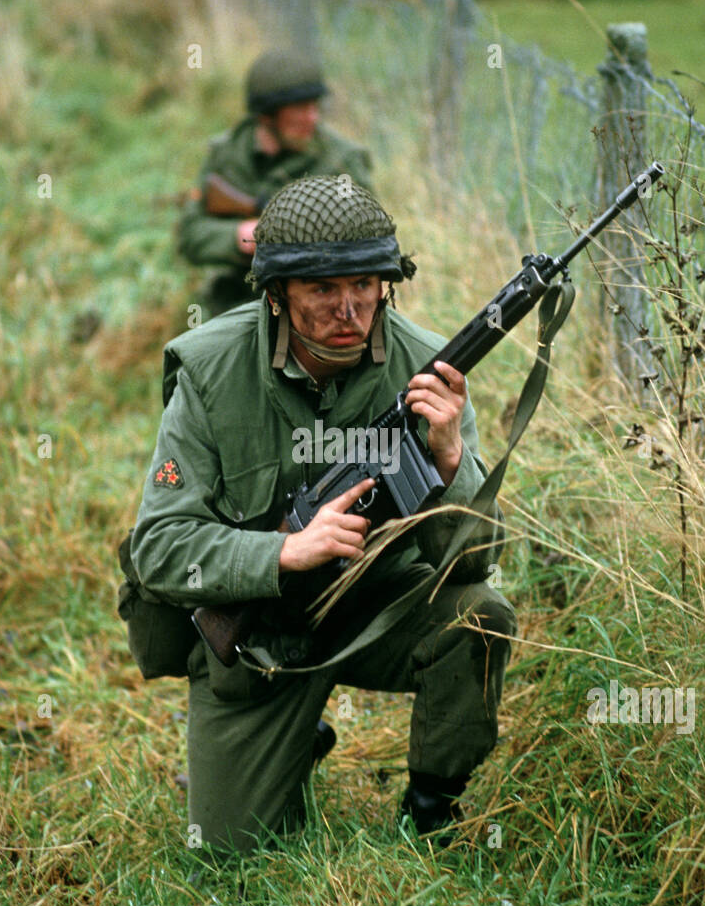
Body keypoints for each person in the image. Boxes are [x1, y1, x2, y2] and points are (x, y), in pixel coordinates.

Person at [132, 174, 516, 856]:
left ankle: (429, 814)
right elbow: (160, 545)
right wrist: (281, 554)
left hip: (379, 609)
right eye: (323, 290)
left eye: (365, 285)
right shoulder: (212, 373)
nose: (350, 310)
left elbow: (475, 559)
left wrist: (450, 459)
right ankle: (295, 738)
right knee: (231, 853)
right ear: (275, 295)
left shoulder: (428, 368)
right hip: (263, 634)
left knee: (477, 613)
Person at [176, 50, 373, 317]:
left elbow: (369, 241)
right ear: (266, 116)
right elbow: (189, 236)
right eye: (300, 109)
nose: (312, 118)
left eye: (315, 106)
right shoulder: (228, 155)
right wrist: (241, 236)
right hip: (237, 300)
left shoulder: (342, 162)